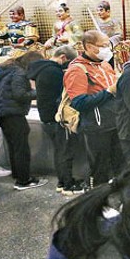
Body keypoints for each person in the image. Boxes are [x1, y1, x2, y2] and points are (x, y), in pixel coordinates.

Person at [64, 30, 123, 189]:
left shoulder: (104, 64)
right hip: (96, 127)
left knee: (119, 166)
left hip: (115, 123)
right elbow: (79, 102)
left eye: (108, 46)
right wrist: (109, 92)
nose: (108, 49)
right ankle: (95, 203)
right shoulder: (77, 69)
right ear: (89, 47)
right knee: (99, 170)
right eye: (103, 46)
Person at [27, 46, 83, 195]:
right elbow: (62, 97)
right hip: (57, 117)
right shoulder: (54, 72)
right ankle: (68, 185)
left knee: (59, 151)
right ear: (63, 57)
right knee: (65, 152)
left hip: (46, 116)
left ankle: (62, 181)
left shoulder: (42, 69)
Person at [0, 51, 47, 190]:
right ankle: (24, 180)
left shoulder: (9, 70)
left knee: (14, 146)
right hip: (13, 114)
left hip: (3, 113)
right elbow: (20, 94)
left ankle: (18, 175)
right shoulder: (20, 73)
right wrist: (40, 92)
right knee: (21, 148)